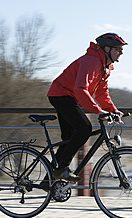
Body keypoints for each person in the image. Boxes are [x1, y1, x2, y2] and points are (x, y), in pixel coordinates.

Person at [46, 33, 127, 181]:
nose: (121, 53)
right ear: (107, 48)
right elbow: (80, 88)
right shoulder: (91, 61)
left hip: (70, 97)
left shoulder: (105, 67)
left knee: (69, 138)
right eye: (118, 49)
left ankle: (49, 179)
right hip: (61, 95)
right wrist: (98, 110)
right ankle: (62, 168)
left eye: (121, 50)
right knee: (84, 128)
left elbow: (102, 93)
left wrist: (112, 110)